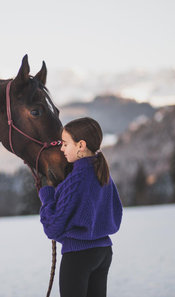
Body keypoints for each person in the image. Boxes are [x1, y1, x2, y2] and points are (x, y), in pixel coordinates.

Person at [39, 117, 123, 297]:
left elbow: (52, 228)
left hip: (79, 256)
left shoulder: (76, 180)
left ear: (81, 145)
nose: (61, 149)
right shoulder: (103, 174)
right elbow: (116, 213)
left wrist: (47, 198)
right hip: (103, 253)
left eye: (65, 144)